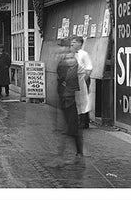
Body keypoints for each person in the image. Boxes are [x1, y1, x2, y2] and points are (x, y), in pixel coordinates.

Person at [55, 38, 83, 166]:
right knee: (69, 127)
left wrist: (64, 85)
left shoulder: (70, 61)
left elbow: (66, 78)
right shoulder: (65, 60)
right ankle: (77, 152)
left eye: (62, 47)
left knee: (70, 127)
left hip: (69, 98)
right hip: (64, 97)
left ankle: (75, 154)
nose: (59, 49)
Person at [70, 36, 93, 129]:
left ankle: (84, 122)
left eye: (74, 42)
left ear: (80, 43)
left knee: (84, 99)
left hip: (82, 78)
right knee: (77, 100)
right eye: (72, 42)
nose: (72, 44)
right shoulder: (72, 54)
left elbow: (89, 68)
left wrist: (84, 79)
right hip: (74, 80)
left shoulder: (84, 54)